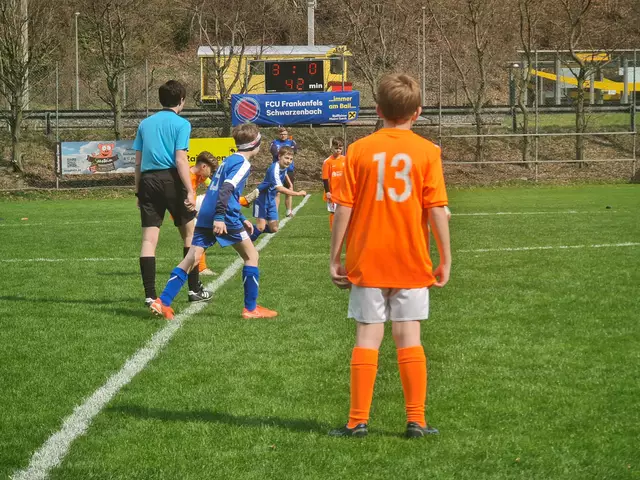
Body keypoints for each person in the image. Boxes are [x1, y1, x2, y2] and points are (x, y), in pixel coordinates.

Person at [328, 73, 451, 438]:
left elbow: (343, 207)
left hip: (367, 258)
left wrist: (335, 257)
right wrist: (445, 258)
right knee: (409, 335)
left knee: (367, 336)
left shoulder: (358, 151)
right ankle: (416, 420)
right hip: (411, 259)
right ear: (418, 112)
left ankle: (357, 421)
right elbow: (437, 209)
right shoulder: (427, 152)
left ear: (378, 110)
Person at [150, 123, 278, 320]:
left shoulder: (229, 160)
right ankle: (251, 309)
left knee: (191, 258)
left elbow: (223, 192)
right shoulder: (243, 164)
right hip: (223, 216)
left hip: (206, 213)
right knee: (251, 256)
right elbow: (226, 189)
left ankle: (163, 301)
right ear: (255, 144)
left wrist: (241, 218)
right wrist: (220, 217)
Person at [134, 80, 211, 307]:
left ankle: (150, 295)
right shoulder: (182, 124)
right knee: (190, 235)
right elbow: (180, 160)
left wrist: (138, 192)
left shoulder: (145, 124)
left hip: (147, 180)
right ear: (181, 100)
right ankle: (194, 289)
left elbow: (137, 162)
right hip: (170, 179)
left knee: (148, 240)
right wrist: (190, 190)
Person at [250, 146, 307, 242]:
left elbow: (285, 173)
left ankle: (249, 229)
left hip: (271, 199)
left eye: (291, 159)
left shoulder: (283, 166)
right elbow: (279, 188)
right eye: (286, 158)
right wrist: (297, 193)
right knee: (260, 227)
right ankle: (246, 242)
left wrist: (289, 183)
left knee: (274, 228)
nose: (289, 161)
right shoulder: (274, 169)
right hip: (261, 199)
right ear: (279, 156)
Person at [191, 151, 217, 276]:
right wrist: (195, 213)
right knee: (195, 237)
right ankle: (199, 268)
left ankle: (199, 268)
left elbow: (213, 187)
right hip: (183, 210)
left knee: (196, 236)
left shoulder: (198, 175)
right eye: (210, 170)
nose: (210, 174)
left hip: (189, 208)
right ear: (204, 166)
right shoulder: (188, 178)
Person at [269, 126, 297, 217]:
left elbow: (293, 152)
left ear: (287, 134)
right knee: (277, 192)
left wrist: (282, 152)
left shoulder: (291, 142)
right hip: (278, 171)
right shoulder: (274, 142)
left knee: (289, 190)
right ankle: (275, 212)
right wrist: (284, 152)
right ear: (278, 134)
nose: (283, 136)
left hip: (289, 170)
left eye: (284, 134)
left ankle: (289, 211)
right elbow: (275, 153)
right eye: (281, 134)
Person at [321, 137, 345, 231]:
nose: (338, 150)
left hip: (343, 191)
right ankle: (334, 231)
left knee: (344, 212)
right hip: (332, 192)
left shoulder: (346, 160)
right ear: (332, 148)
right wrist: (327, 191)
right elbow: (325, 178)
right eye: (336, 148)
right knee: (333, 212)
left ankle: (343, 230)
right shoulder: (327, 162)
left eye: (340, 148)